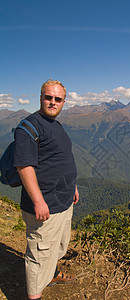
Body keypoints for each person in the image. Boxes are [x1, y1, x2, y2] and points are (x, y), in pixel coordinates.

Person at [13, 79, 79, 300]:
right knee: (39, 255)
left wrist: (73, 186)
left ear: (63, 102)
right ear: (40, 97)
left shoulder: (55, 125)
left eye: (57, 99)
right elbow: (24, 166)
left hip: (64, 201)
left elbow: (61, 158)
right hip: (45, 206)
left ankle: (51, 274)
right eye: (48, 97)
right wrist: (39, 201)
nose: (53, 102)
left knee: (57, 247)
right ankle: (35, 296)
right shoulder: (28, 127)